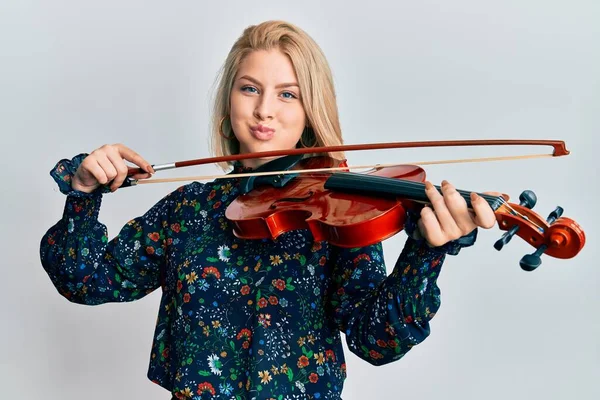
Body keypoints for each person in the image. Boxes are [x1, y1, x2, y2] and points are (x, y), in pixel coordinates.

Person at [40, 20, 498, 400]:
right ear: (229, 101)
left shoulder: (336, 211)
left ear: (309, 111)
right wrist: (83, 193)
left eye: (287, 94)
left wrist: (425, 254)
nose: (264, 111)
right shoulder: (189, 210)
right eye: (250, 88)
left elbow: (375, 341)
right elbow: (86, 280)